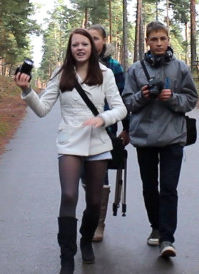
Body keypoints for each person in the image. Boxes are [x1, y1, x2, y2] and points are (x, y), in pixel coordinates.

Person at [14, 28, 127, 274]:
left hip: (98, 142)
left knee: (95, 202)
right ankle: (67, 256)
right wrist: (26, 90)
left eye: (84, 44)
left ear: (92, 47)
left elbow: (120, 108)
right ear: (70, 48)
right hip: (70, 142)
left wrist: (103, 119)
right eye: (75, 44)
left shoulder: (105, 73)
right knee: (68, 196)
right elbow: (43, 109)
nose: (80, 48)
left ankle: (86, 240)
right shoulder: (61, 73)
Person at [122, 21, 198, 259]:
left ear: (168, 40)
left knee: (168, 188)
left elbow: (191, 100)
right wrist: (142, 96)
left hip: (173, 137)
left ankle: (167, 238)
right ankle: (155, 226)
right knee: (149, 188)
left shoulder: (180, 68)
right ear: (147, 41)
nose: (158, 43)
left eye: (162, 39)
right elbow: (126, 102)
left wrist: (172, 98)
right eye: (154, 39)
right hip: (144, 138)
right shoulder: (135, 70)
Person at [86, 24, 130, 242]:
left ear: (104, 41)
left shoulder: (114, 67)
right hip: (79, 133)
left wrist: (126, 128)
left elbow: (123, 99)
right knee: (85, 179)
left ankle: (98, 224)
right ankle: (91, 217)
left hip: (105, 132)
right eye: (88, 38)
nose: (92, 43)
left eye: (95, 38)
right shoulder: (75, 65)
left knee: (99, 178)